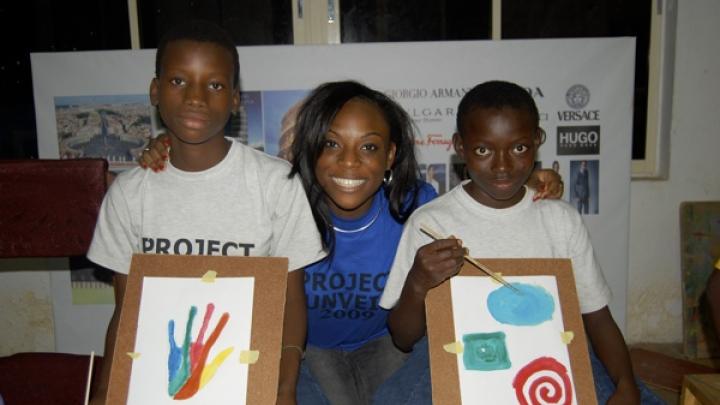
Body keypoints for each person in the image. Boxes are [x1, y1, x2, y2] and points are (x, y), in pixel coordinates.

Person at [139, 80, 564, 404]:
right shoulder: (280, 200)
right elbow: (218, 182)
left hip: (389, 347)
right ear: (309, 147)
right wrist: (172, 150)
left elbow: (487, 207)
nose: (349, 162)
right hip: (310, 351)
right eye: (331, 144)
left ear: (390, 156)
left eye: (369, 147)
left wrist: (529, 186)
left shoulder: (419, 206)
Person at [87, 20, 325, 405]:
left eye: (214, 85)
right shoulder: (130, 194)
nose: (196, 97)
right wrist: (106, 391)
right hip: (162, 379)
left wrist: (283, 387)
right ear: (155, 91)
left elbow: (291, 302)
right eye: (179, 81)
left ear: (234, 99)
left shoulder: (275, 184)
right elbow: (127, 312)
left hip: (249, 371)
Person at [379, 80, 661, 404]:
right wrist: (418, 283)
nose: (502, 165)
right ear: (460, 146)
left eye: (519, 148)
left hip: (551, 359)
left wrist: (625, 385)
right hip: (454, 362)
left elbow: (597, 317)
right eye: (483, 150)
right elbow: (402, 337)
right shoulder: (431, 223)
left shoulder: (560, 220)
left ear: (537, 141)